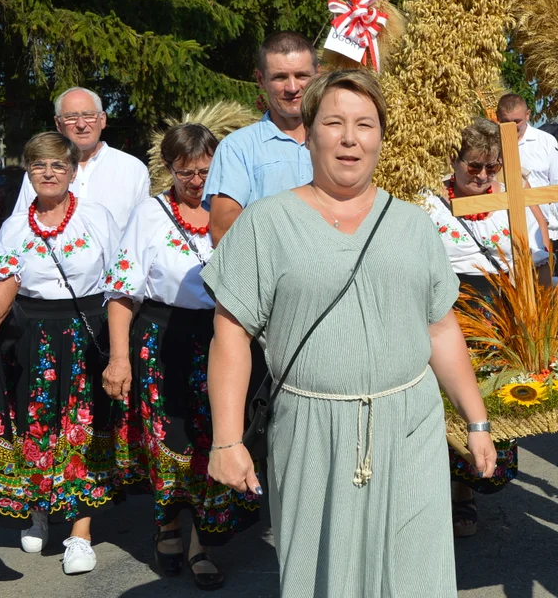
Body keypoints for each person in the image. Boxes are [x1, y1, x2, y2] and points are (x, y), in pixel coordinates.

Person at [202, 70, 497, 597]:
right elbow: (230, 335)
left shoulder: (414, 224)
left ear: (381, 136)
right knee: (325, 578)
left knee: (415, 575)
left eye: (364, 124)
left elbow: (440, 326)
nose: (349, 138)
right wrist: (226, 440)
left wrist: (476, 420)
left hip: (412, 427)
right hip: (311, 431)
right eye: (333, 122)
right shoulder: (265, 225)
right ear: (309, 133)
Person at [101, 124, 258, 590]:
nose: (195, 181)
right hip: (162, 337)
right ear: (167, 169)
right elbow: (122, 289)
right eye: (184, 171)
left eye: (205, 171)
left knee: (217, 435)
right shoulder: (149, 214)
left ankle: (202, 543)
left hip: (223, 336)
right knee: (168, 437)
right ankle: (168, 525)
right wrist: (119, 358)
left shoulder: (234, 211)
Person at [0, 132, 120, 575]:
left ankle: (80, 533)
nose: (48, 173)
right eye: (39, 165)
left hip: (83, 329)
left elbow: (120, 275)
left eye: (58, 165)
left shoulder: (97, 216)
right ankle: (39, 509)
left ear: (73, 172)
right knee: (34, 424)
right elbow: (4, 281)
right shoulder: (14, 225)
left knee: (83, 425)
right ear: (29, 171)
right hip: (29, 333)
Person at [423, 118, 548, 538]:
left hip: (498, 318)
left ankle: (470, 484)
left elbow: (535, 264)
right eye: (473, 166)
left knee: (490, 404)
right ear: (453, 162)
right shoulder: (427, 204)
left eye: (492, 167)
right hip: (446, 317)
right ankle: (441, 492)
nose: (482, 176)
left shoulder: (514, 200)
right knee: (443, 407)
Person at [204, 31, 318, 243]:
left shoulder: (338, 142)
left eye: (302, 75)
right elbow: (221, 228)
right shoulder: (238, 148)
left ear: (317, 75)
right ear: (260, 80)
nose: (292, 88)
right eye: (280, 77)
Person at [12, 87, 149, 228]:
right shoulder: (40, 172)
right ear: (58, 124)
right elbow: (21, 228)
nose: (81, 125)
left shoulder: (133, 169)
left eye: (89, 115)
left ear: (102, 120)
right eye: (71, 117)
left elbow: (144, 230)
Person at [496, 94, 558, 270]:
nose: (512, 127)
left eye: (517, 121)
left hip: (537, 229)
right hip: (498, 228)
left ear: (528, 115)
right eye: (505, 121)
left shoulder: (545, 142)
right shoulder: (491, 144)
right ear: (497, 117)